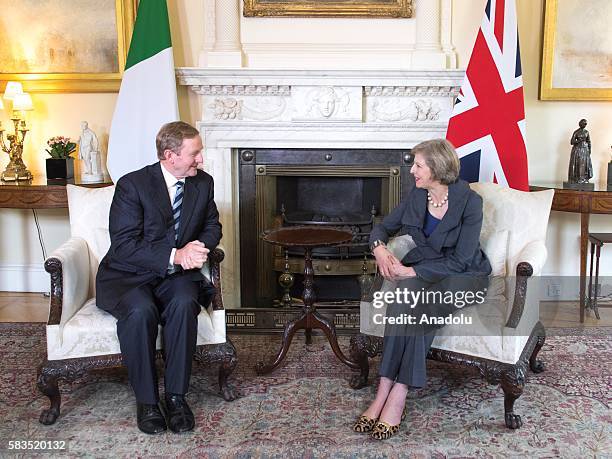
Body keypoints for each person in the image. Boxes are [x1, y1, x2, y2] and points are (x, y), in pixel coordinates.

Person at [353, 139, 491, 440]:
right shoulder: (417, 196)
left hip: (464, 276)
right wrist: (378, 249)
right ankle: (384, 387)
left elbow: (461, 260)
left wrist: (410, 270)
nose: (412, 170)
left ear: (438, 168)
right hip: (426, 267)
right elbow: (381, 227)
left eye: (418, 165)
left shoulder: (470, 202)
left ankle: (400, 392)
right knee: (402, 300)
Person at [96, 121, 222, 435]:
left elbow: (212, 226)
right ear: (170, 155)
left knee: (183, 301)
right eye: (195, 153)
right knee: (140, 311)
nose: (201, 160)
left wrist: (198, 248)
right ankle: (148, 401)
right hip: (130, 275)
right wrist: (175, 254)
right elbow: (124, 245)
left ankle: (177, 397)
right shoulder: (133, 185)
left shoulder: (202, 183)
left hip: (177, 277)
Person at [567, 118, 593, 184]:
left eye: (585, 124)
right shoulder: (576, 132)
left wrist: (589, 150)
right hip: (577, 150)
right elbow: (572, 142)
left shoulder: (587, 132)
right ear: (580, 124)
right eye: (583, 123)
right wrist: (579, 141)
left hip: (585, 150)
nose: (584, 125)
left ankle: (584, 178)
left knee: (584, 165)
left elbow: (589, 141)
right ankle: (576, 178)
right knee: (578, 164)